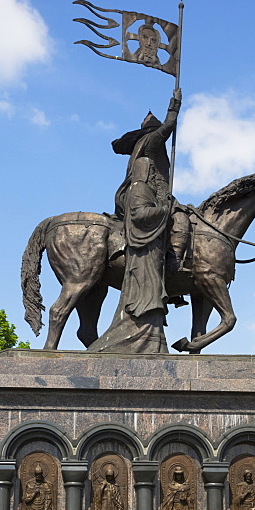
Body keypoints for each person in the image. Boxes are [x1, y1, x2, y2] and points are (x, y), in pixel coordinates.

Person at [89, 90, 187, 353]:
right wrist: (174, 109)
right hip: (150, 196)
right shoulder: (152, 142)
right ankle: (174, 262)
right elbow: (166, 128)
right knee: (181, 219)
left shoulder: (139, 149)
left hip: (137, 195)